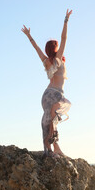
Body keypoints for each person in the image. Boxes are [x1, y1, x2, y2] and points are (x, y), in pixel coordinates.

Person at [21, 9, 73, 158]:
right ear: (56, 48)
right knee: (53, 120)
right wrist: (66, 20)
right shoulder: (58, 58)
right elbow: (64, 38)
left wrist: (29, 35)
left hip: (46, 95)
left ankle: (51, 148)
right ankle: (54, 148)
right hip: (56, 94)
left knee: (49, 120)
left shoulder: (46, 61)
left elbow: (36, 47)